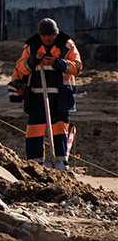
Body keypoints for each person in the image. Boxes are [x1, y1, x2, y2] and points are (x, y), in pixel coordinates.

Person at [9, 17, 83, 170]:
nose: (48, 39)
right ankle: (34, 165)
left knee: (59, 130)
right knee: (34, 131)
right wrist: (33, 60)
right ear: (40, 35)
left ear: (56, 34)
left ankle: (61, 164)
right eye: (44, 36)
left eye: (51, 35)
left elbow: (76, 67)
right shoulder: (32, 47)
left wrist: (57, 62)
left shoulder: (67, 45)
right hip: (37, 98)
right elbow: (20, 68)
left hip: (61, 98)